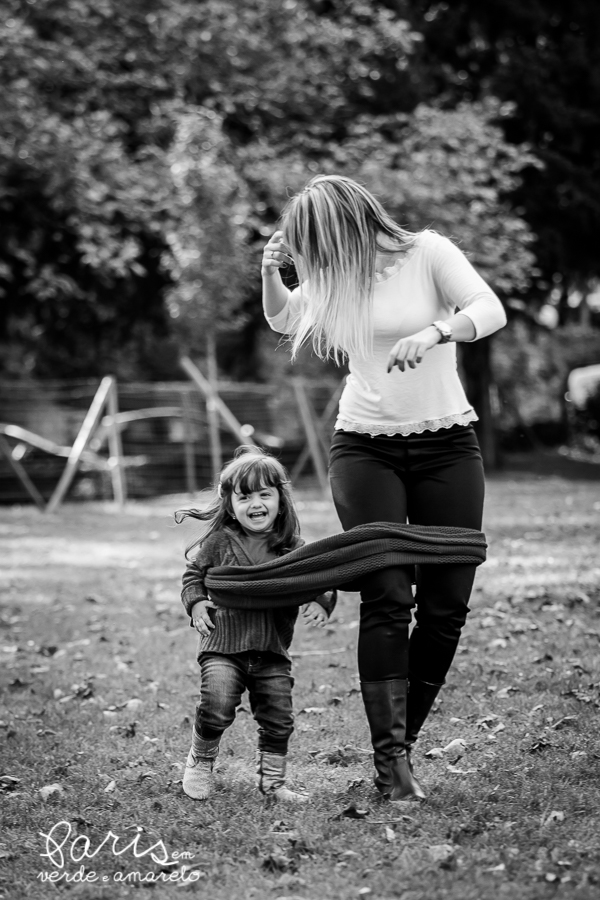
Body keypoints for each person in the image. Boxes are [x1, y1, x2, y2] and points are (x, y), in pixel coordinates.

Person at [261, 174, 507, 802]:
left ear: (346, 225)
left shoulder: (428, 253)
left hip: (447, 444)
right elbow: (283, 317)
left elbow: (489, 308)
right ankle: (391, 762)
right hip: (364, 447)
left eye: (315, 244)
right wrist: (273, 273)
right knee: (389, 592)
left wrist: (436, 332)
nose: (312, 260)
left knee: (448, 604)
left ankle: (402, 741)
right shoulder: (332, 277)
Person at [176, 447, 336, 802]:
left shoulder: (291, 548)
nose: (255, 503)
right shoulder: (220, 542)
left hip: (271, 650)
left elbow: (318, 578)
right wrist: (198, 602)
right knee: (217, 703)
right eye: (244, 496)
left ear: (280, 499)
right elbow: (194, 576)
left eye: (265, 494)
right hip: (223, 645)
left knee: (279, 717)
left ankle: (273, 783)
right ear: (230, 504)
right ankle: (200, 761)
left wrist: (319, 601)